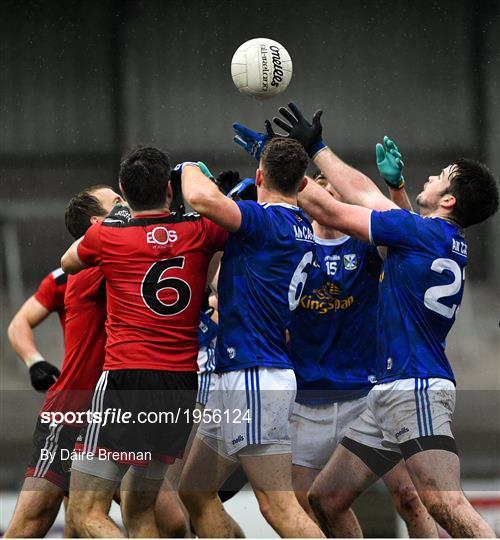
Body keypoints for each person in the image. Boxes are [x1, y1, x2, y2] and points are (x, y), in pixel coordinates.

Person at [273, 102, 499, 538]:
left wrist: (283, 168)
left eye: (441, 177)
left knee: (442, 504)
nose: (430, 178)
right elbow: (364, 194)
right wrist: (317, 147)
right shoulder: (434, 236)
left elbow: (337, 210)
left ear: (448, 200)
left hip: (414, 387)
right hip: (389, 393)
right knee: (328, 498)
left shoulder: (421, 232)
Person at [61, 146, 227, 538]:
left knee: (85, 513)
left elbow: (69, 261)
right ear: (170, 191)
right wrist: (197, 182)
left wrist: (116, 219)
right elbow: (222, 215)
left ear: (123, 189)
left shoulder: (107, 237)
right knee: (139, 507)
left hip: (127, 380)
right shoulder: (201, 230)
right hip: (181, 386)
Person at [177, 138, 324, 538]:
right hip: (240, 373)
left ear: (259, 176)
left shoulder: (265, 220)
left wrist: (191, 165)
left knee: (278, 507)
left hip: (255, 375)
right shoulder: (300, 228)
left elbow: (199, 199)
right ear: (304, 184)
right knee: (193, 490)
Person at [288, 173, 436, 537]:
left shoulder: (364, 246)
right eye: (316, 188)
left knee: (409, 498)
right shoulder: (290, 246)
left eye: (332, 190)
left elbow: (403, 235)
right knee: (309, 508)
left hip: (365, 399)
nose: (323, 195)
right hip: (304, 403)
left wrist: (398, 191)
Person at [4, 185, 124, 538]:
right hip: (76, 405)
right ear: (96, 221)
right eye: (117, 201)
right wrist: (35, 361)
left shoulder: (127, 256)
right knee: (38, 519)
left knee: (84, 518)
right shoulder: (72, 272)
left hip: (120, 407)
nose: (126, 204)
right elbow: (18, 323)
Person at [8, 267, 67, 392]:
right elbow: (19, 323)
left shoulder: (118, 270)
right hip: (84, 387)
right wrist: (35, 362)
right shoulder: (62, 279)